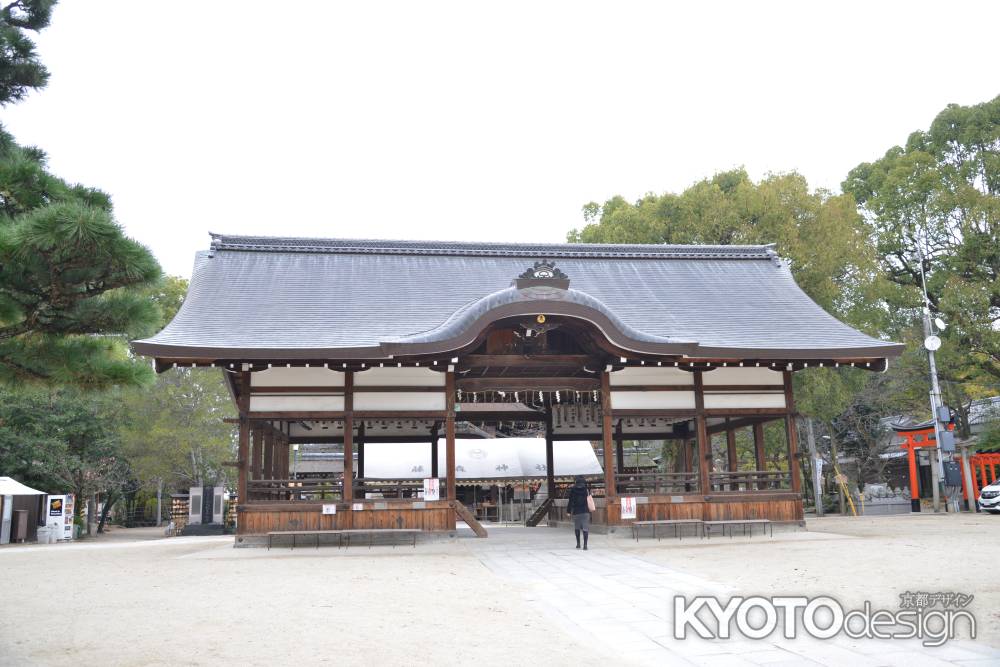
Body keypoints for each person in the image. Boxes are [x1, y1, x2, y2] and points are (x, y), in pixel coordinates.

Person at [566, 475, 591, 550]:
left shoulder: (573, 489)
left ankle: (578, 544)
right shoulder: (586, 490)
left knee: (577, 527)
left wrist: (568, 511)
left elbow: (570, 501)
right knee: (585, 528)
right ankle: (585, 545)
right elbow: (589, 499)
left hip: (576, 511)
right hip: (585, 511)